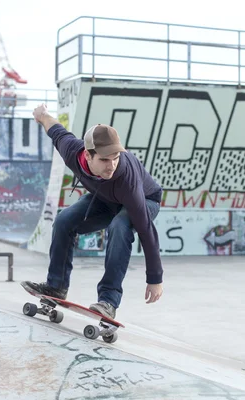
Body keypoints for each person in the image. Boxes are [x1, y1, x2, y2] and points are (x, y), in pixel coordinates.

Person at [22, 103, 164, 319]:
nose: (112, 165)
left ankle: (108, 300)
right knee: (63, 221)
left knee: (120, 226)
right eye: (105, 160)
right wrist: (42, 116)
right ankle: (56, 286)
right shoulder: (71, 150)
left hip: (145, 200)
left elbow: (145, 229)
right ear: (87, 156)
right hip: (106, 199)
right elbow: (55, 129)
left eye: (115, 158)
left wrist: (155, 278)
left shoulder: (126, 177)